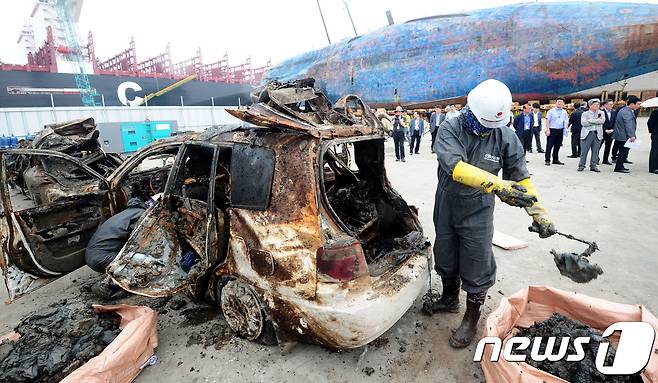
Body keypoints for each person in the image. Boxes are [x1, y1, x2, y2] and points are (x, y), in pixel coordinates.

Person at [423, 79, 555, 348]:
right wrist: (498, 185)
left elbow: (521, 178)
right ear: (471, 110)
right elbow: (455, 167)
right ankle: (449, 300)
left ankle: (471, 318)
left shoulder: (505, 136)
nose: (488, 130)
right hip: (447, 204)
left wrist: (539, 213)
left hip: (479, 210)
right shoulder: (450, 128)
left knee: (476, 261)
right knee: (446, 254)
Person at [85, 196, 147, 299]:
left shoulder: (126, 213)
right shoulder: (140, 214)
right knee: (140, 264)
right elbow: (139, 239)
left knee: (132, 261)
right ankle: (106, 286)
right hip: (102, 257)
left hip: (92, 256)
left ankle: (114, 277)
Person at [613, 95, 642, 173]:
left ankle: (620, 165)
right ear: (632, 104)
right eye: (638, 104)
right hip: (624, 136)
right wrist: (631, 136)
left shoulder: (625, 110)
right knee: (623, 152)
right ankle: (618, 167)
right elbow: (628, 125)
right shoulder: (626, 112)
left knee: (623, 152)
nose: (639, 106)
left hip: (622, 135)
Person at [578, 99, 605, 172]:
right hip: (588, 134)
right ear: (590, 105)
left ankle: (593, 165)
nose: (597, 106)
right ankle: (581, 165)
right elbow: (584, 123)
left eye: (598, 104)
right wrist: (596, 121)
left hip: (597, 133)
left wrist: (590, 120)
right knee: (584, 151)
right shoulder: (585, 114)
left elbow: (602, 121)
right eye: (595, 104)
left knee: (596, 151)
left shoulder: (601, 113)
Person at [545, 97, 569, 166]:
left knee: (557, 146)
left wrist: (566, 129)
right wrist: (547, 130)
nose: (559, 103)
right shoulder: (551, 111)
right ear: (556, 103)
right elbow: (547, 121)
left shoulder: (564, 112)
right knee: (549, 145)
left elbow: (566, 121)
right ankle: (547, 160)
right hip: (552, 130)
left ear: (563, 104)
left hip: (560, 130)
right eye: (558, 101)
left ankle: (555, 159)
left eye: (561, 102)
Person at [599, 99, 617, 165]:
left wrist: (613, 129)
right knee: (598, 146)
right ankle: (596, 158)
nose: (611, 106)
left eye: (612, 104)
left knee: (608, 146)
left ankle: (605, 159)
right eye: (609, 104)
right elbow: (599, 122)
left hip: (611, 132)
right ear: (604, 105)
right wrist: (605, 130)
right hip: (602, 131)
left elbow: (616, 122)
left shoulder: (614, 112)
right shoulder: (600, 112)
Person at [649, 96, 658, 174]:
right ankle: (653, 167)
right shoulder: (655, 112)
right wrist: (652, 131)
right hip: (656, 134)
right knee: (655, 150)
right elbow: (650, 123)